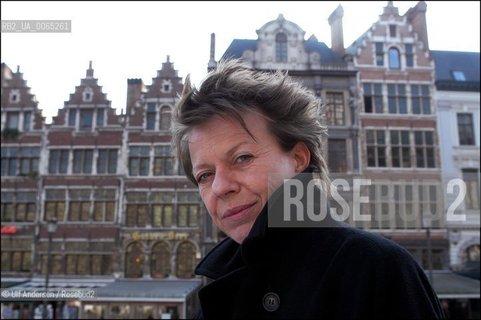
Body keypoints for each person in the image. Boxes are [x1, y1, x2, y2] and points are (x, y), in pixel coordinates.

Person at [171, 59, 445, 319]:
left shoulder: (378, 269)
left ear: (299, 159)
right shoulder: (219, 291)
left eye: (242, 158)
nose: (220, 187)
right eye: (205, 175)